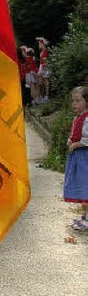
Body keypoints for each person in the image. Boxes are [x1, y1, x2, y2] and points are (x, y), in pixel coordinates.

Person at [63, 85, 88, 231]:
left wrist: (78, 144)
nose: (74, 104)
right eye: (73, 101)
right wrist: (70, 139)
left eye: (78, 101)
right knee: (81, 187)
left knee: (86, 186)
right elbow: (76, 133)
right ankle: (85, 216)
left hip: (85, 159)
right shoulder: (78, 118)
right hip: (78, 159)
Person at [35, 37, 50, 103]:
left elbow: (45, 61)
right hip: (42, 68)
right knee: (41, 83)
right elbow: (42, 61)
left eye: (39, 44)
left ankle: (46, 96)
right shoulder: (42, 52)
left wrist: (43, 69)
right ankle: (42, 96)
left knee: (46, 83)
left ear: (42, 44)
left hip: (45, 68)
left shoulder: (46, 51)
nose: (39, 45)